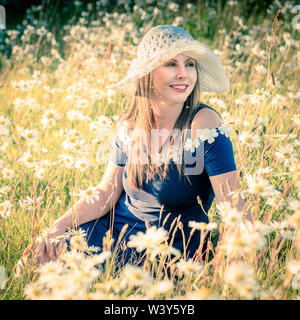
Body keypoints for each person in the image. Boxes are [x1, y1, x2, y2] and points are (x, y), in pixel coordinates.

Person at [18, 25, 253, 272]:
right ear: (148, 74)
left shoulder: (204, 124)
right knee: (36, 261)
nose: (184, 74)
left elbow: (234, 205)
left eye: (190, 64)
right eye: (171, 64)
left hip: (167, 250)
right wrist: (57, 228)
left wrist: (239, 269)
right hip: (111, 234)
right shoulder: (131, 124)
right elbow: (105, 193)